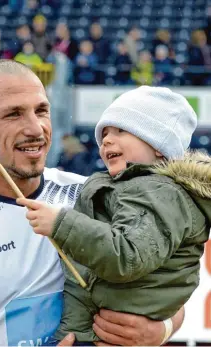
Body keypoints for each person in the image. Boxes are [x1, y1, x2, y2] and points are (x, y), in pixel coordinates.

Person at [0, 60, 185, 346]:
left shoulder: (91, 195)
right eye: (13, 114)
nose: (35, 128)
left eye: (41, 111)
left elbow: (166, 288)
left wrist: (160, 330)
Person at [17, 86, 211, 344]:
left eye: (120, 131)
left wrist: (60, 223)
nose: (106, 140)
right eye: (104, 133)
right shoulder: (121, 187)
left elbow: (128, 255)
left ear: (159, 147)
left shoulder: (159, 194)